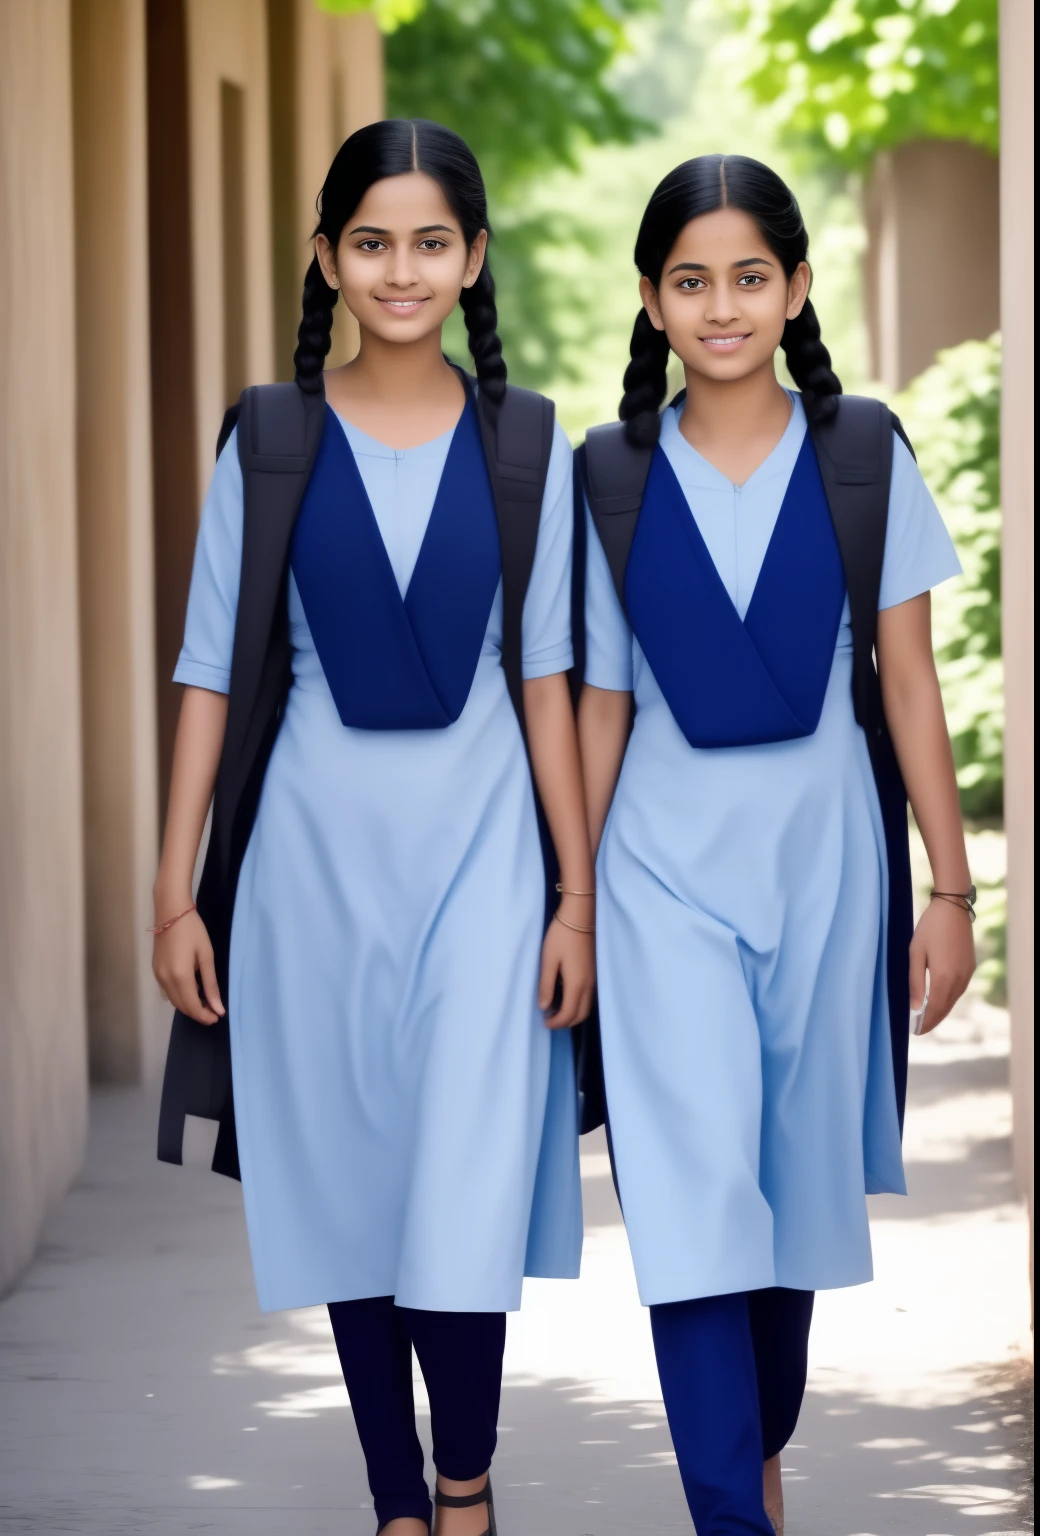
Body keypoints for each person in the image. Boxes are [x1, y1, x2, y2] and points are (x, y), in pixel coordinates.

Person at [152, 118, 596, 1536]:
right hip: (307, 875)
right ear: (328, 259)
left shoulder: (530, 445)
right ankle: (397, 1500)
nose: (399, 270)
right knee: (350, 1181)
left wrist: (573, 897)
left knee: (461, 1185)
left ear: (472, 261)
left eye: (429, 242)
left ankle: (463, 1481)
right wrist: (176, 895)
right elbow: (213, 668)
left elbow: (548, 688)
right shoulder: (268, 440)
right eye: (370, 242)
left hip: (482, 868)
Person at [576, 153, 975, 1535]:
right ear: (651, 299)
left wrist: (954, 889)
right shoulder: (608, 481)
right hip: (657, 885)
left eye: (751, 276)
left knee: (789, 1215)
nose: (723, 304)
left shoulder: (863, 453)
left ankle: (756, 1453)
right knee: (692, 1214)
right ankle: (732, 1517)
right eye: (692, 280)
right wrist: (571, 896)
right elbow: (601, 704)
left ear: (797, 288)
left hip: (826, 882)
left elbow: (911, 685)